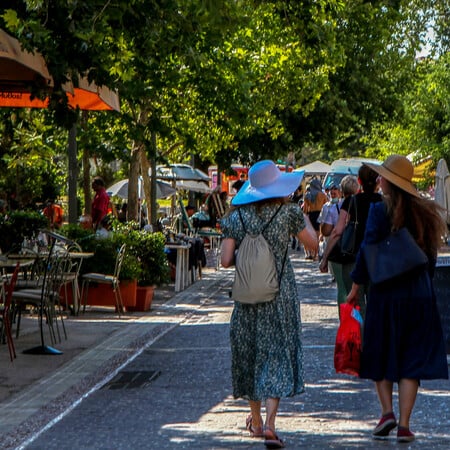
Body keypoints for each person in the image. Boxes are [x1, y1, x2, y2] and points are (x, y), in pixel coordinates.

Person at [346, 155, 448, 443]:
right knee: (412, 358)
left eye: (382, 176)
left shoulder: (379, 211)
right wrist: (424, 283)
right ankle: (404, 424)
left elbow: (367, 249)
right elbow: (430, 257)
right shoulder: (425, 212)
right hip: (418, 294)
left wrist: (356, 285)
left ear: (390, 182)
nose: (378, 180)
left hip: (385, 292)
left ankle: (387, 412)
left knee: (380, 350)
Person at [220, 160, 318, 449]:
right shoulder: (288, 213)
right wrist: (303, 217)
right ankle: (272, 423)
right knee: (276, 353)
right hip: (281, 293)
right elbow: (312, 244)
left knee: (250, 352)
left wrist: (250, 259)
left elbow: (225, 260)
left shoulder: (235, 218)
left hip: (248, 295)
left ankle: (255, 420)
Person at [319, 165, 381, 319]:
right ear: (378, 182)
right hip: (378, 260)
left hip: (353, 258)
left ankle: (358, 340)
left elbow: (337, 231)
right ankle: (371, 340)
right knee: (376, 305)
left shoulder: (352, 201)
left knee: (356, 304)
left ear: (359, 181)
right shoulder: (384, 201)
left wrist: (325, 257)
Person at [302, 178, 327, 260]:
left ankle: (310, 252)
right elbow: (326, 205)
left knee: (311, 235)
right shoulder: (322, 195)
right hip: (319, 214)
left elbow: (305, 209)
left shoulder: (307, 195)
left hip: (311, 215)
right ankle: (316, 254)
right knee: (318, 235)